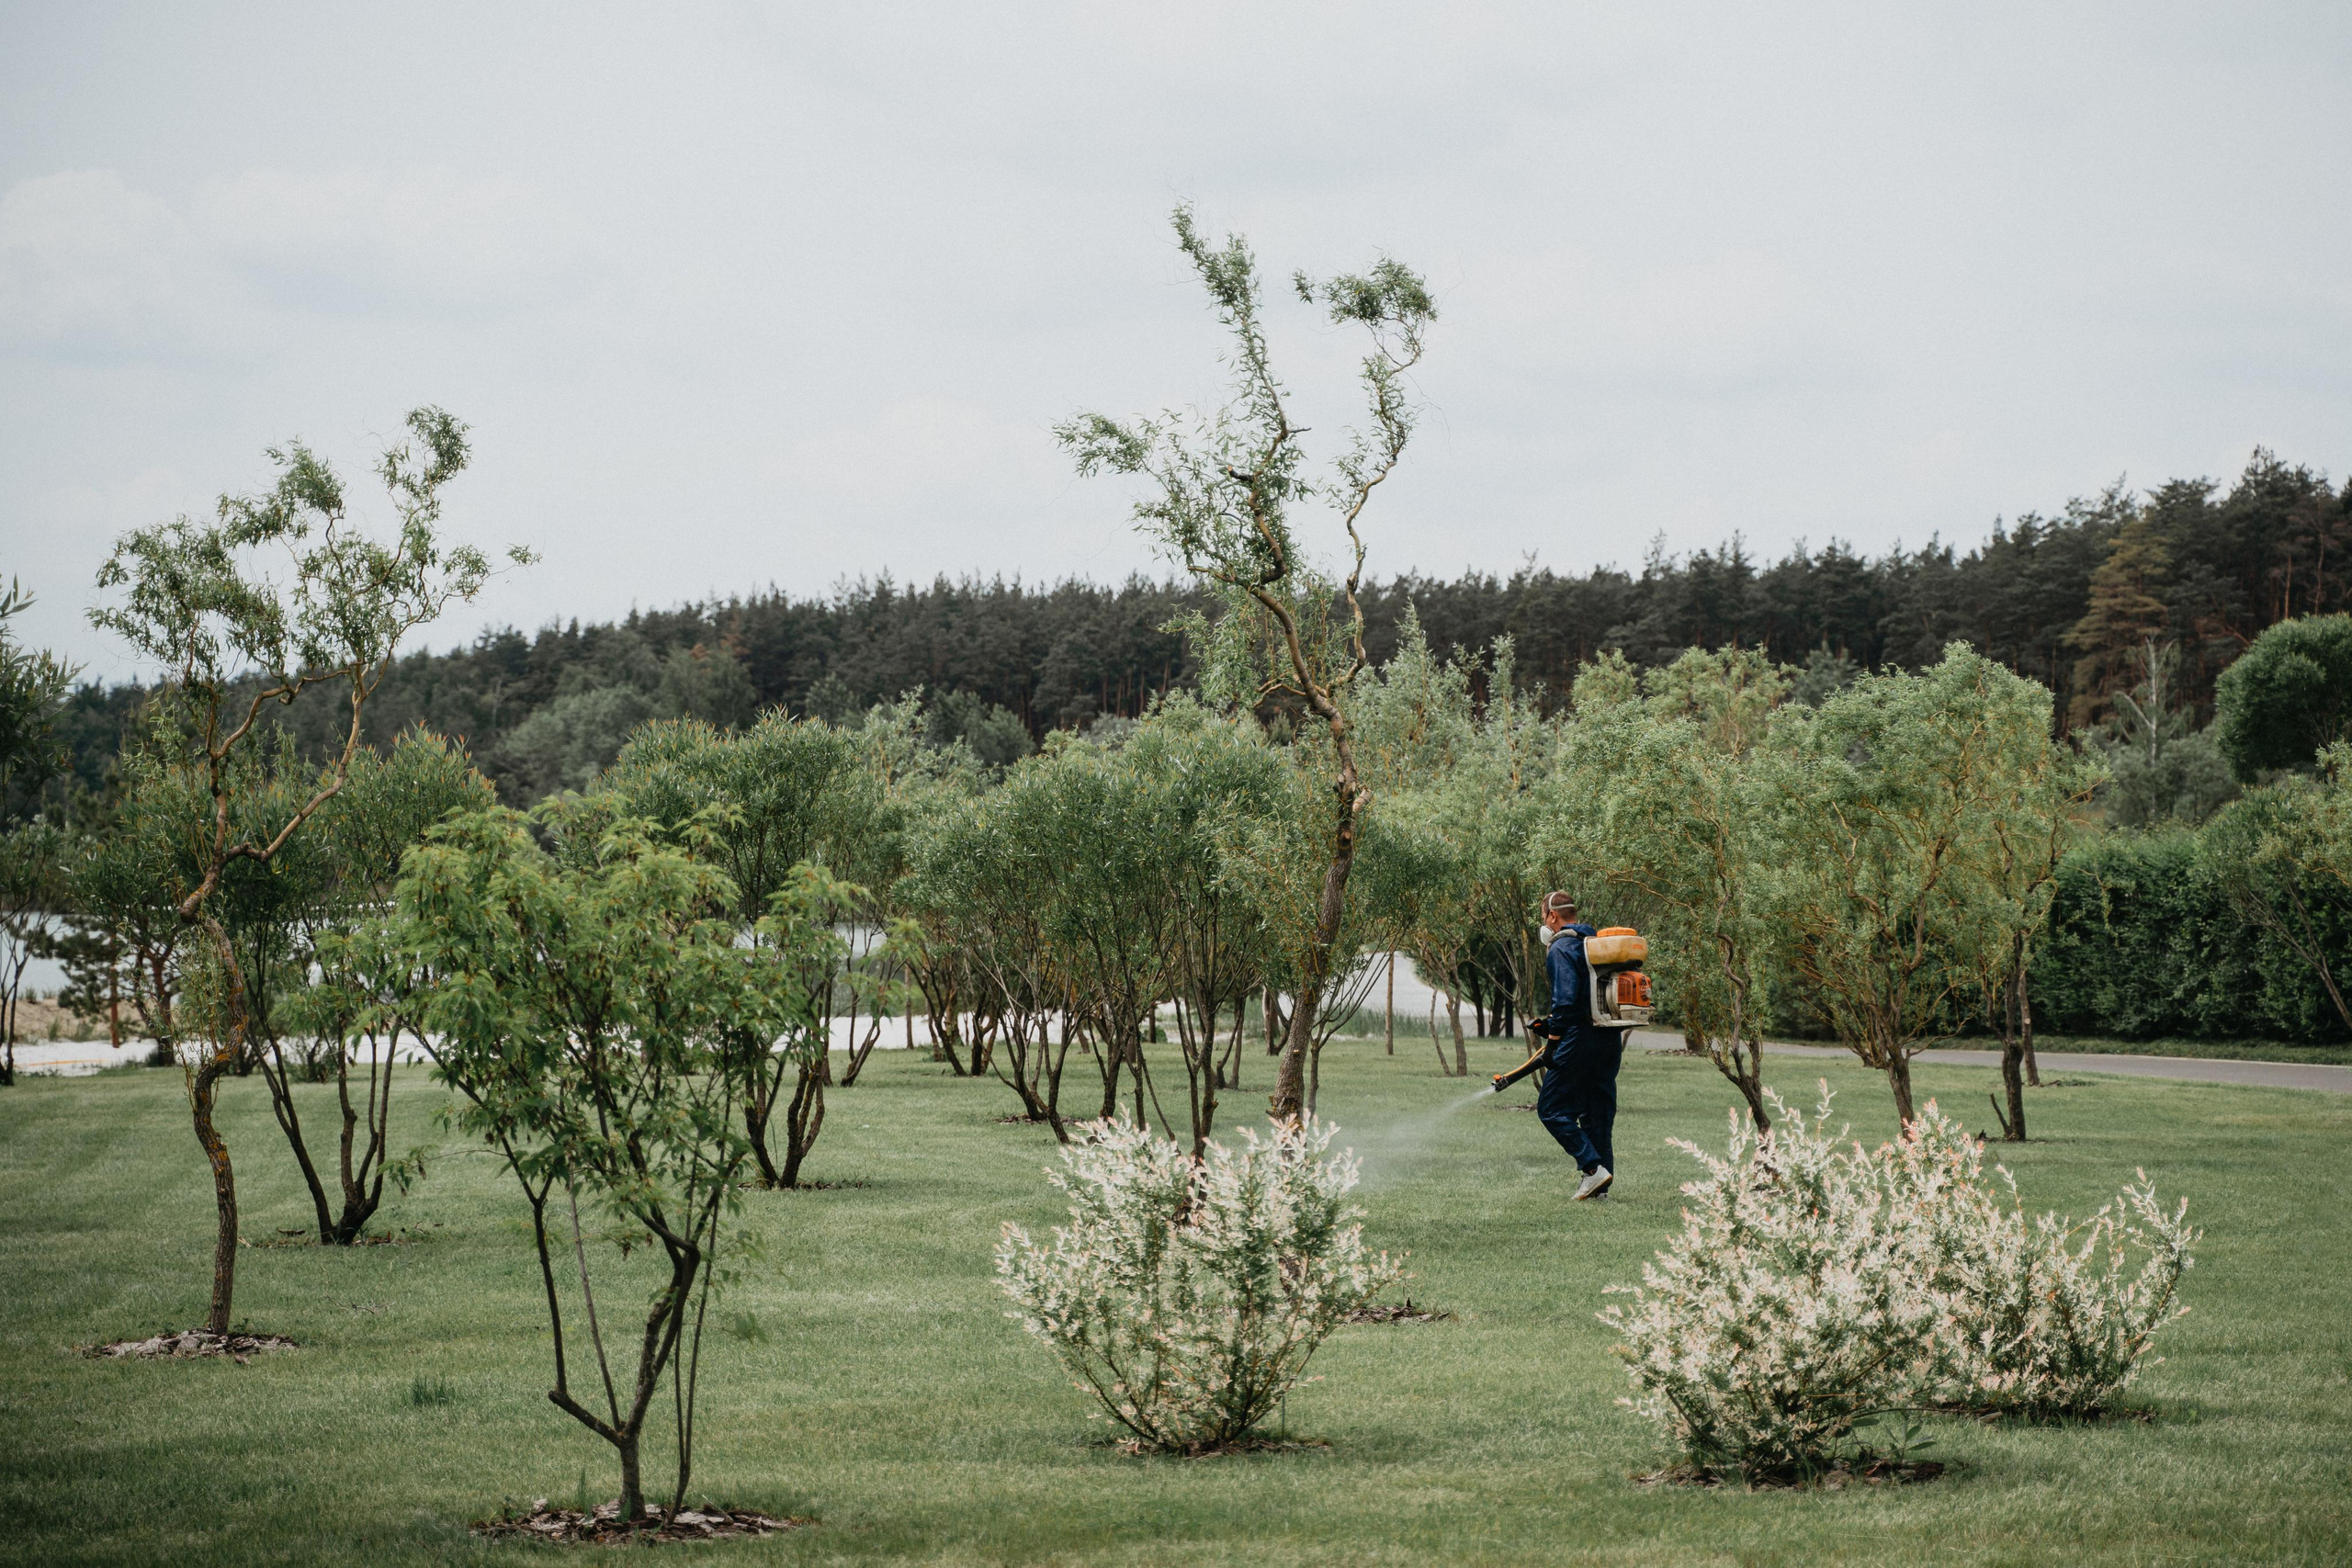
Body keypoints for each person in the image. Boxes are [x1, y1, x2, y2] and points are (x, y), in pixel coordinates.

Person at [1532, 891, 1621, 1201]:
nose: (1544, 923)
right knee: (1597, 1111)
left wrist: (1553, 1041)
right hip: (1610, 1037)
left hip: (1578, 1037)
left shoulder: (1562, 947)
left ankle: (1592, 1168)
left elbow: (1566, 1003)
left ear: (1553, 917)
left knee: (1551, 1109)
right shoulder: (1595, 944)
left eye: (1544, 916)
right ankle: (1600, 1190)